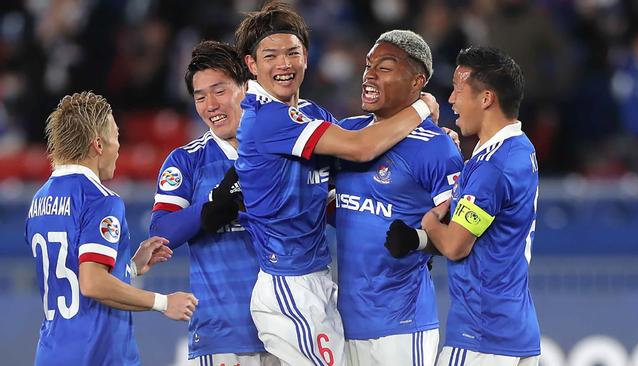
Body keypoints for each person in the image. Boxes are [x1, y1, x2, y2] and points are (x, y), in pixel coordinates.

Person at [230, 2, 438, 364]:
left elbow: (363, 151)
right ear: (251, 65)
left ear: (306, 57)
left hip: (319, 279)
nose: (284, 64)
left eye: (292, 53)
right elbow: (361, 147)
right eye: (271, 55)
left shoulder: (309, 114)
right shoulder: (266, 120)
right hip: (288, 285)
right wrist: (421, 109)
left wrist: (432, 137)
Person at [384, 46, 541, 365]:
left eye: (457, 90)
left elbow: (456, 246)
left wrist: (429, 223)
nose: (451, 100)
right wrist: (419, 241)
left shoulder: (493, 167)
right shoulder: (517, 149)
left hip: (480, 334)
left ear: (486, 99)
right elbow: (484, 235)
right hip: (516, 333)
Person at [25, 91, 198, 366]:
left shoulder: (40, 200)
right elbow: (92, 283)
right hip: (98, 354)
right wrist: (164, 303)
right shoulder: (100, 199)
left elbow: (70, 272)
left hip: (51, 353)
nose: (119, 146)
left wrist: (127, 268)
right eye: (116, 136)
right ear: (97, 144)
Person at [334, 30, 464, 366]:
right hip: (343, 324)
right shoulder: (346, 133)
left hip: (402, 326)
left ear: (417, 81)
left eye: (385, 67)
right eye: (368, 66)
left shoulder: (436, 148)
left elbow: (461, 235)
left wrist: (417, 239)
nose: (370, 75)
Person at [148, 41, 279, 366]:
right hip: (222, 335)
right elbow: (161, 232)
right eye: (200, 96)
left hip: (291, 331)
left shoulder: (283, 147)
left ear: (245, 87)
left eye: (219, 91)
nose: (210, 105)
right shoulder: (186, 161)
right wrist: (212, 206)